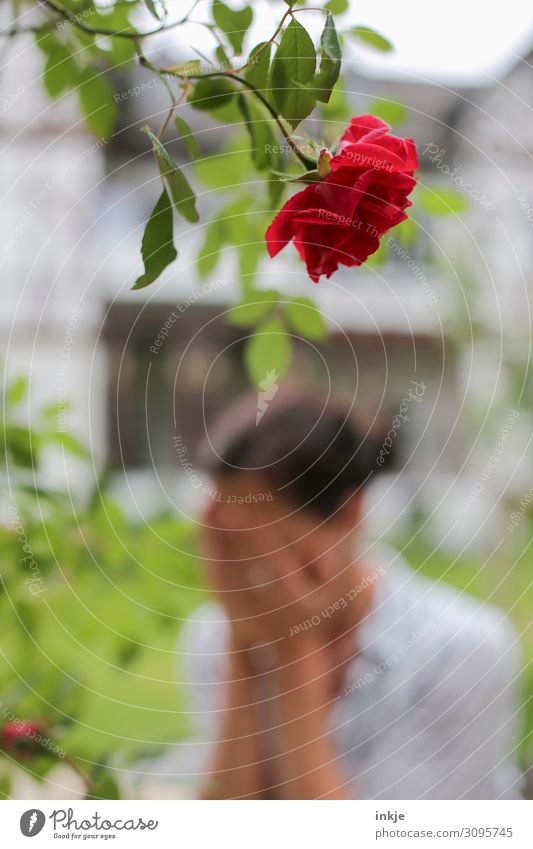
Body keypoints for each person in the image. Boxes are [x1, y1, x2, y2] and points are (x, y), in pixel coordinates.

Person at [178, 391, 523, 800]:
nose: (250, 572)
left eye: (271, 546)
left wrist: (294, 651)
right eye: (230, 546)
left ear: (349, 515)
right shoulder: (209, 639)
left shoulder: (461, 649)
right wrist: (241, 641)